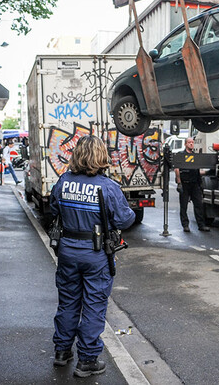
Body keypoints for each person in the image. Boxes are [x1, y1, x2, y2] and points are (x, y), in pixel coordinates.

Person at [49, 136, 135, 377]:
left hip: (67, 251)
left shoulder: (64, 181)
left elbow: (53, 208)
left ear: (77, 155)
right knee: (93, 306)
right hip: (96, 253)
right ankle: (87, 360)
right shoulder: (107, 186)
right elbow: (124, 219)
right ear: (100, 157)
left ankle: (62, 351)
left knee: (67, 302)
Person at [174, 137, 209, 232]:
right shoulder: (181, 155)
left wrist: (208, 173)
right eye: (189, 142)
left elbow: (198, 171)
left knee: (199, 205)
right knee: (184, 206)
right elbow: (176, 169)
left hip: (195, 184)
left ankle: (201, 225)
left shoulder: (195, 156)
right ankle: (185, 225)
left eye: (192, 142)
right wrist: (179, 183)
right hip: (184, 184)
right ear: (185, 144)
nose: (191, 144)